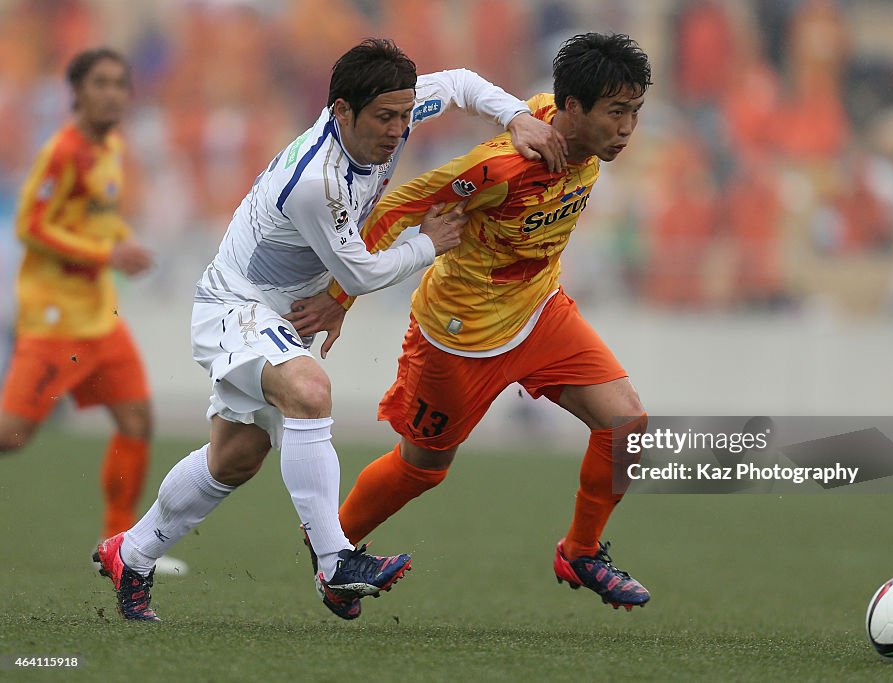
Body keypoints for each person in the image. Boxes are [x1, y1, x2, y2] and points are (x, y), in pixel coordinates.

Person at [93, 38, 566, 622]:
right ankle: (335, 561)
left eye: (403, 114)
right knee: (310, 390)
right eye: (384, 118)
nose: (397, 130)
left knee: (236, 457)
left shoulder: (397, 110)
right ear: (342, 112)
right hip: (235, 304)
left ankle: (130, 553)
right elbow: (358, 271)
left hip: (276, 312)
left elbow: (465, 81)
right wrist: (428, 244)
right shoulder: (317, 181)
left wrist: (517, 116)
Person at [290, 33, 653, 610]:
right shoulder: (502, 167)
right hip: (458, 334)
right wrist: (340, 297)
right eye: (617, 112)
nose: (628, 127)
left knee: (627, 424)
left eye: (635, 111)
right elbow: (396, 208)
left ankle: (580, 551)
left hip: (539, 313)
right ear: (574, 109)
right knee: (423, 468)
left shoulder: (569, 136)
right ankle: (333, 549)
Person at [0, 48, 187, 576]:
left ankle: (122, 547)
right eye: (101, 83)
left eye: (121, 84)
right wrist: (108, 255)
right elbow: (29, 227)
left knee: (136, 420)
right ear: (76, 92)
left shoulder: (110, 147)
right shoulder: (62, 151)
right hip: (55, 324)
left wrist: (126, 245)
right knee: (11, 436)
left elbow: (99, 221)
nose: (113, 93)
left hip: (100, 319)